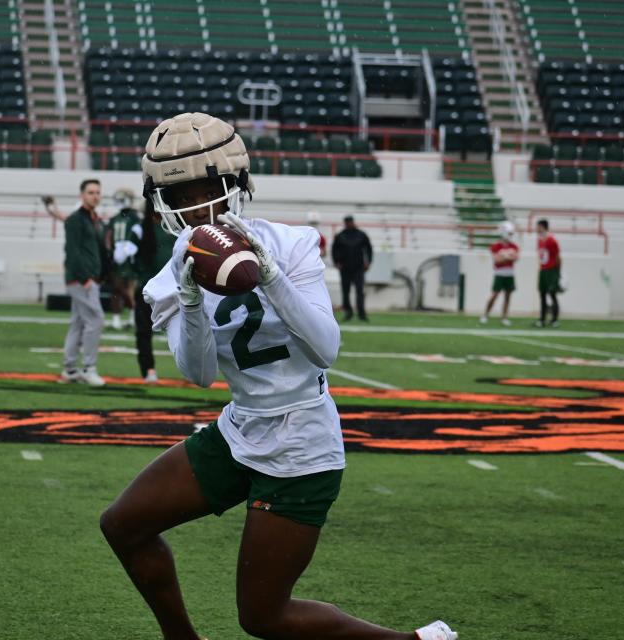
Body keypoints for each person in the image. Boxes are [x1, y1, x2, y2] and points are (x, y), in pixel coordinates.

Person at [100, 112, 457, 640]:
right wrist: (192, 298)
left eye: (206, 189)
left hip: (302, 441)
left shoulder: (290, 244)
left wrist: (269, 276)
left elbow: (325, 348)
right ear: (161, 204)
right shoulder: (169, 275)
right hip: (241, 426)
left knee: (263, 617)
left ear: (235, 186)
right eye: (180, 195)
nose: (196, 205)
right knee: (123, 525)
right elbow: (199, 375)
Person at [52, 179, 106, 386]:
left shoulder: (93, 219)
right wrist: (85, 279)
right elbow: (72, 251)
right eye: (91, 192)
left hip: (87, 279)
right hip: (81, 280)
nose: (95, 196)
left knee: (78, 323)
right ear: (82, 195)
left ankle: (70, 369)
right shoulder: (76, 220)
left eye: (97, 192)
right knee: (96, 320)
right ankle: (89, 368)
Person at [131, 198, 175, 383]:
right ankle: (148, 369)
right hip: (147, 289)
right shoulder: (139, 229)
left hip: (172, 289)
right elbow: (129, 257)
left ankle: (193, 370)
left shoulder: (174, 227)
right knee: (144, 331)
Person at [106, 187, 142, 330]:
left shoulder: (135, 218)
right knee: (116, 289)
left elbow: (139, 236)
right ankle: (117, 320)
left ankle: (132, 318)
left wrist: (130, 251)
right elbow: (109, 236)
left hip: (131, 256)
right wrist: (111, 250)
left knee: (129, 289)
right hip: (117, 257)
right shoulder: (115, 218)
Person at [332, 215, 373, 322]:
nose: (349, 224)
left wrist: (368, 262)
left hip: (358, 268)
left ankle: (361, 314)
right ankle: (348, 313)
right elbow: (334, 250)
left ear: (353, 222)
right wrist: (336, 262)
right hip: (345, 268)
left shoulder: (361, 235)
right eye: (347, 222)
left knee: (360, 291)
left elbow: (368, 249)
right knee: (345, 291)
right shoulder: (340, 236)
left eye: (350, 222)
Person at [480, 221, 518, 326]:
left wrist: (504, 257)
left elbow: (515, 258)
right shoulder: (496, 246)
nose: (511, 236)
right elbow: (497, 260)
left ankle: (504, 317)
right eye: (509, 233)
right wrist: (508, 257)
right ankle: (485, 315)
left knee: (508, 296)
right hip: (500, 273)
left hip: (510, 274)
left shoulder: (514, 246)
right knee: (495, 295)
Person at [536, 218, 562, 328]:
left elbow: (558, 258)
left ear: (543, 227)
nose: (536, 228)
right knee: (542, 295)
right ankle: (542, 319)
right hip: (543, 270)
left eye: (538, 226)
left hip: (551, 270)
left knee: (552, 294)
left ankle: (554, 319)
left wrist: (557, 273)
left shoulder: (552, 240)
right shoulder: (539, 240)